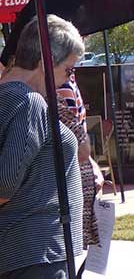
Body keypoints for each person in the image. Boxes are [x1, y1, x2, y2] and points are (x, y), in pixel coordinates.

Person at [0, 15, 84, 279]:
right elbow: (4, 185)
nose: (68, 81)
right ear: (45, 63)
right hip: (35, 255)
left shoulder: (9, 97)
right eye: (68, 70)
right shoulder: (29, 101)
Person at [56, 73, 103, 277]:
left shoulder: (68, 79)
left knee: (76, 255)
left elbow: (80, 133)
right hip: (67, 179)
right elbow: (77, 140)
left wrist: (93, 165)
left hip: (82, 176)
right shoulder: (55, 86)